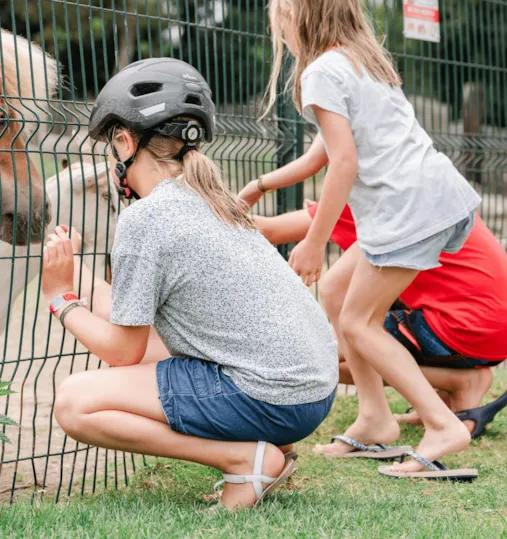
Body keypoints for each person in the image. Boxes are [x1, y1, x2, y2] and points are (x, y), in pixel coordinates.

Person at [41, 58, 338, 510]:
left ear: (125, 142)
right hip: (311, 394)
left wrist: (59, 299)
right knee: (156, 351)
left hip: (271, 397)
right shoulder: (216, 202)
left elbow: (123, 351)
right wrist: (74, 271)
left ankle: (244, 460)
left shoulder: (145, 219)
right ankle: (268, 449)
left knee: (74, 403)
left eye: (108, 145)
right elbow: (127, 321)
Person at [264, 0, 483, 480]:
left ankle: (442, 426)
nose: (282, 31)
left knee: (360, 324)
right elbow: (322, 153)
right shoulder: (361, 60)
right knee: (339, 296)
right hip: (432, 196)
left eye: (282, 19)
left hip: (406, 209)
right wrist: (260, 186)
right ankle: (375, 421)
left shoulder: (321, 71)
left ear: (296, 13)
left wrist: (315, 243)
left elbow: (344, 163)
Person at [238, 137, 507, 440]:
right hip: (493, 327)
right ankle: (450, 386)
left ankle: (460, 382)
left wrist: (211, 210)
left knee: (335, 349)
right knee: (347, 341)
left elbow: (269, 230)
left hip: (463, 327)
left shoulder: (374, 200)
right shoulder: (412, 192)